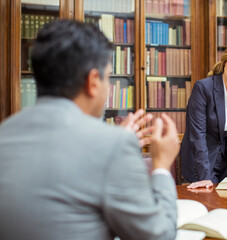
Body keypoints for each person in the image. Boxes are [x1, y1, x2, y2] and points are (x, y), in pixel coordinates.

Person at [0, 20, 180, 240]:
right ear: (93, 81)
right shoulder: (112, 146)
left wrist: (114, 140)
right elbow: (159, 236)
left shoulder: (5, 132)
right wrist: (161, 167)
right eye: (109, 76)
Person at [180, 43, 227, 189]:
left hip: (224, 164)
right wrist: (204, 177)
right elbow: (198, 135)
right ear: (225, 61)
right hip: (200, 162)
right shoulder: (203, 88)